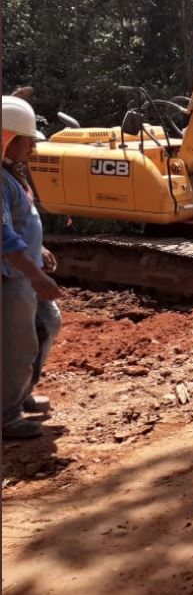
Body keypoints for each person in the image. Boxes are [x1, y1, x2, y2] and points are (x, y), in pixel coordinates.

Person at [3, 95, 62, 440]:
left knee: (48, 323)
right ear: (8, 139)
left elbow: (19, 224)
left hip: (26, 270)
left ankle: (20, 393)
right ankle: (7, 416)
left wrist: (39, 248)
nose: (33, 147)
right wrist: (37, 275)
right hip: (13, 277)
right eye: (27, 140)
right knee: (18, 345)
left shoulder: (12, 174)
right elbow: (4, 237)